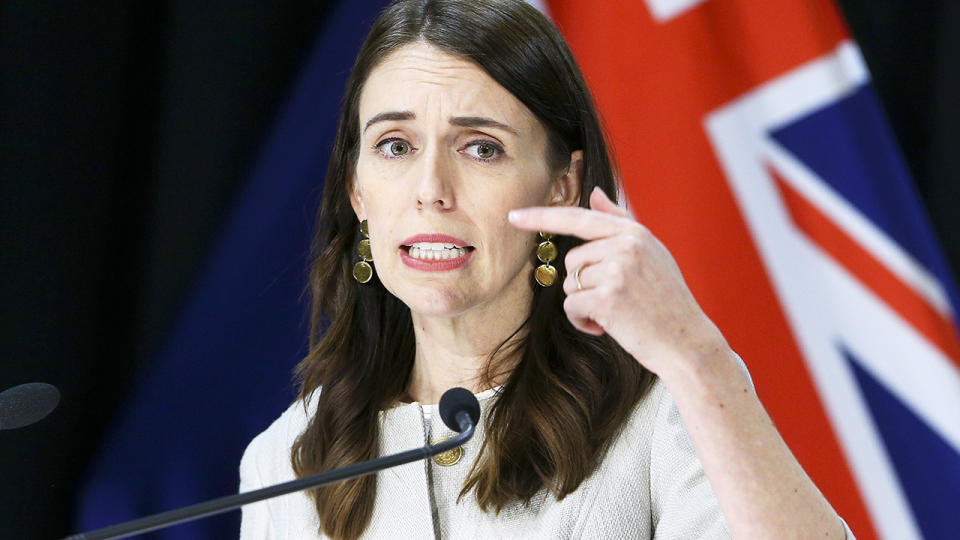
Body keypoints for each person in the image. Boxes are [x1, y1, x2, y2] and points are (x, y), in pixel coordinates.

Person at [239, 0, 855, 538]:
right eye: (395, 146)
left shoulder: (666, 410)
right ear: (357, 191)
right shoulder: (284, 461)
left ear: (562, 186)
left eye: (481, 148)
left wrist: (697, 355)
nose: (430, 190)